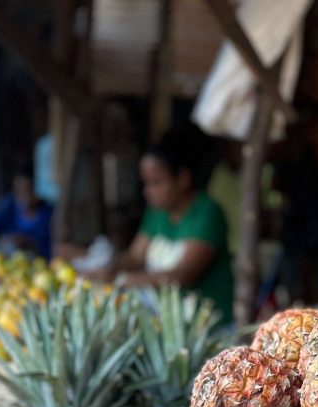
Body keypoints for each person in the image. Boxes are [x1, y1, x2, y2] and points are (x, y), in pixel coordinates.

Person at [98, 130, 233, 321]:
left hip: (206, 324)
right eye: (146, 183)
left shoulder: (207, 213)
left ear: (182, 179)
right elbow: (135, 257)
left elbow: (182, 275)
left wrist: (122, 280)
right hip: (166, 318)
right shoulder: (158, 212)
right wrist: (110, 269)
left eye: (156, 183)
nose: (148, 191)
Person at [0, 173, 53, 259]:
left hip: (41, 258)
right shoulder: (7, 208)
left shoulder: (47, 212)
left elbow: (50, 242)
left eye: (28, 190)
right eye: (19, 191)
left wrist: (28, 241)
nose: (25, 195)